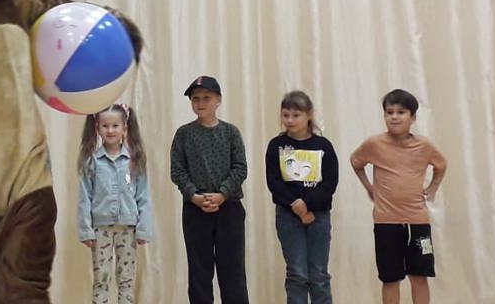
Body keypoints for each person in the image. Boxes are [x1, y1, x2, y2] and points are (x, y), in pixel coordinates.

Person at [351, 89, 447, 304]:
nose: (394, 117)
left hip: (417, 222)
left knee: (419, 277)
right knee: (390, 278)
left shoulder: (424, 146)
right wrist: (369, 187)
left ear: (412, 118)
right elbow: (356, 162)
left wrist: (433, 187)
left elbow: (441, 165)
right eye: (389, 112)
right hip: (386, 222)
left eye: (401, 112)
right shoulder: (374, 144)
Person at [170, 75, 249, 304]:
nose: (201, 103)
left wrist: (222, 194)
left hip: (229, 208)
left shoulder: (231, 132)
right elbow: (177, 170)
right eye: (196, 98)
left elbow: (240, 168)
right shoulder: (183, 134)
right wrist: (194, 196)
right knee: (199, 272)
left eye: (207, 98)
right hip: (196, 210)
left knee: (232, 271)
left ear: (218, 100)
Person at [264, 91, 339, 304]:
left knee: (319, 274)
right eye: (285, 115)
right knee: (297, 273)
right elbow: (274, 182)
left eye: (295, 115)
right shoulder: (276, 146)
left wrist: (307, 205)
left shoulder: (323, 146)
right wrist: (295, 204)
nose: (289, 120)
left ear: (309, 115)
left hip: (318, 216)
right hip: (288, 217)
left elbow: (330, 182)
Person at [77, 103, 153, 304]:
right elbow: (85, 198)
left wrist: (144, 228)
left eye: (115, 126)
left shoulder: (134, 160)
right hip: (100, 229)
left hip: (128, 229)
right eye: (105, 126)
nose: (110, 130)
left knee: (126, 280)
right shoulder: (91, 161)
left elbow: (143, 196)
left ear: (124, 128)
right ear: (98, 128)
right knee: (101, 280)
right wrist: (86, 230)